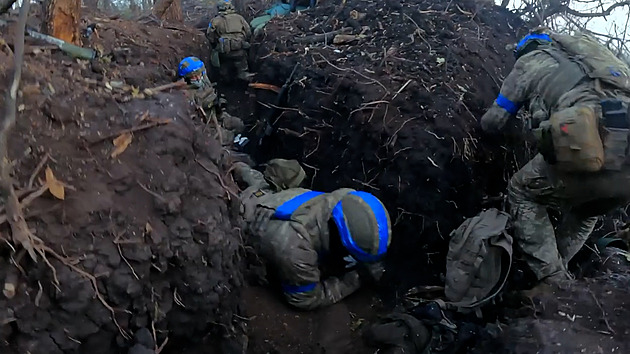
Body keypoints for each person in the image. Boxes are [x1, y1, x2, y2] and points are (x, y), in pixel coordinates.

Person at [480, 28, 630, 287]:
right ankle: (558, 274)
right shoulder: (602, 60)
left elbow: (494, 121)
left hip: (592, 145)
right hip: (626, 164)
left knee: (522, 190)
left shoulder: (529, 61)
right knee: (587, 209)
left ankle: (553, 282)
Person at [233, 159, 392, 310]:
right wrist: (356, 278)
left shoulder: (342, 198)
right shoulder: (296, 250)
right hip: (243, 220)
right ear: (341, 242)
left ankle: (238, 166)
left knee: (250, 176)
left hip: (268, 195)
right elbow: (304, 299)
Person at [177, 56, 244, 145]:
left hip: (217, 116)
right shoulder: (185, 94)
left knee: (239, 125)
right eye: (194, 77)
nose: (198, 78)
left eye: (200, 75)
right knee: (228, 137)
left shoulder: (204, 80)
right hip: (206, 126)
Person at [206, 0, 252, 81]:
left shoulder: (215, 20)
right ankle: (244, 78)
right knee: (242, 65)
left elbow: (210, 35)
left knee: (224, 67)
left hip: (224, 52)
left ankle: (225, 79)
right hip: (239, 50)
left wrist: (214, 43)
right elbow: (248, 31)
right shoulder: (239, 18)